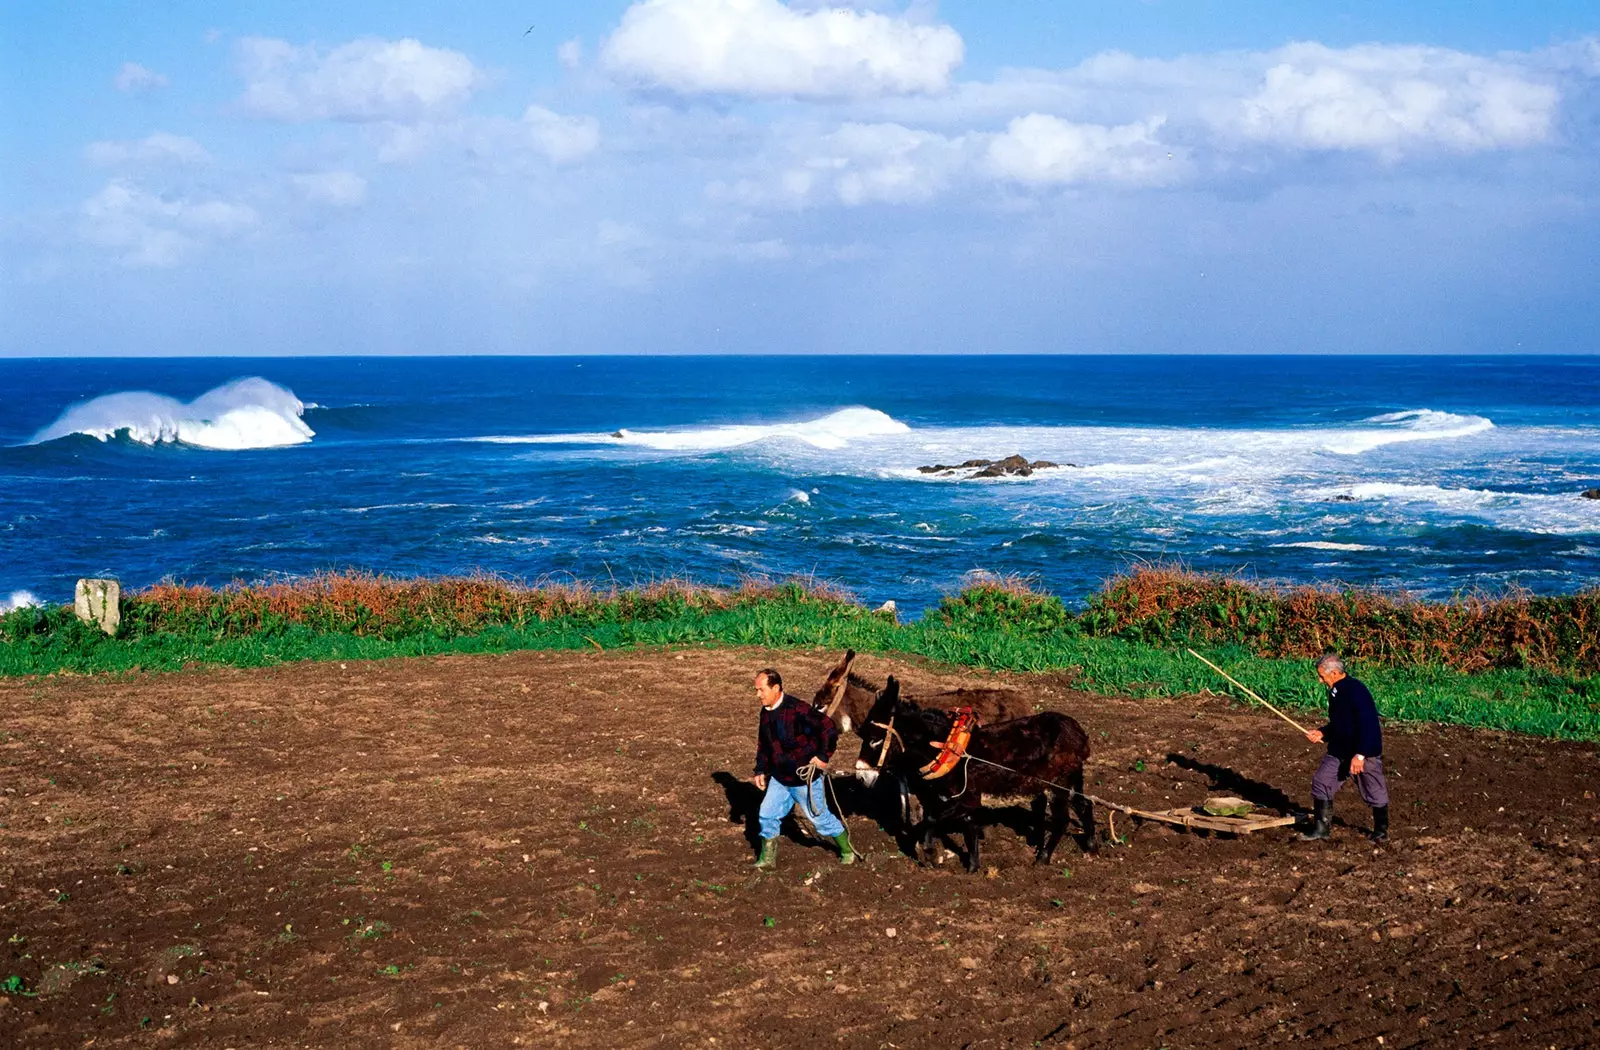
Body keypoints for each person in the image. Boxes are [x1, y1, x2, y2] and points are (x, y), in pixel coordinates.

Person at [750, 667, 856, 870]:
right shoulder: (766, 713)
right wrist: (760, 769)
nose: (758, 695)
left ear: (776, 688)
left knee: (820, 819)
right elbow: (764, 743)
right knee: (767, 814)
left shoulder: (798, 709)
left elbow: (827, 728)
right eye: (757, 690)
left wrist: (824, 756)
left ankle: (847, 850)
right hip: (780, 778)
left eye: (761, 690)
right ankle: (767, 859)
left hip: (804, 779)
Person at [1300, 654, 1389, 843]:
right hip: (1340, 750)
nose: (1320, 680)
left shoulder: (1356, 691)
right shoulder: (1336, 691)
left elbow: (1369, 726)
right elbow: (1340, 724)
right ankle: (1321, 829)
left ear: (1334, 673)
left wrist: (1361, 755)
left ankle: (1381, 832)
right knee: (1321, 781)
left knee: (1374, 790)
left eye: (1322, 676)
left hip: (1362, 752)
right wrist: (1322, 733)